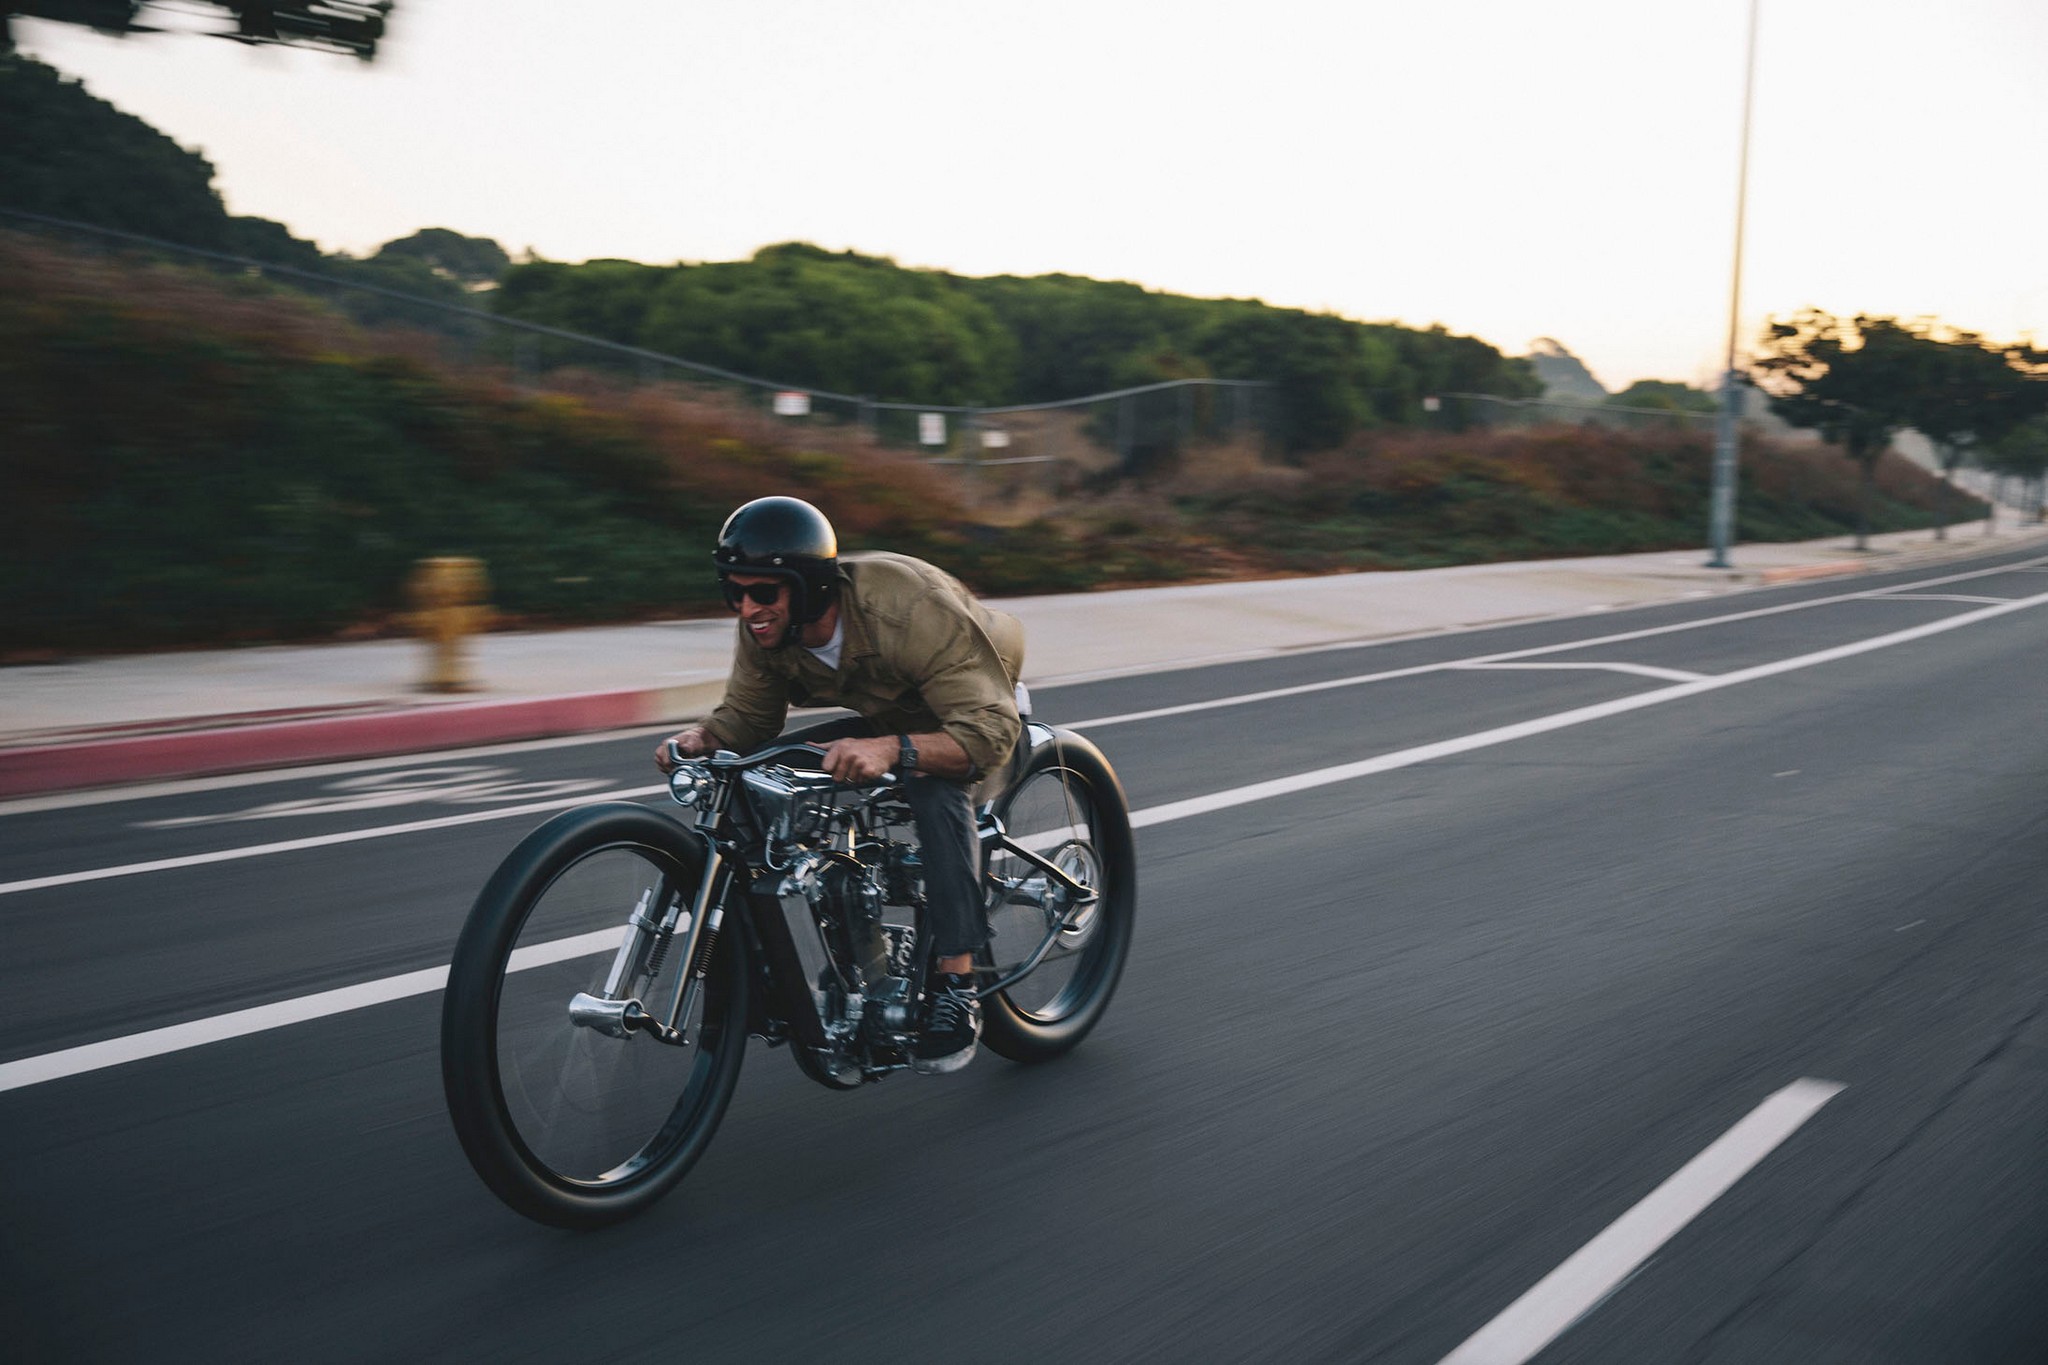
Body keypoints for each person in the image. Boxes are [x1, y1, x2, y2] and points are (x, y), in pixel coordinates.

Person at [655, 495, 1026, 1073]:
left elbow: (990, 731)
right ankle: (829, 951)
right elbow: (750, 721)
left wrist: (893, 749)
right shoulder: (764, 627)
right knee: (760, 775)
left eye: (762, 592)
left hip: (971, 702)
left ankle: (956, 984)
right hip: (887, 711)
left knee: (934, 789)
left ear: (806, 588)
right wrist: (706, 737)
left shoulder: (908, 609)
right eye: (735, 590)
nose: (747, 607)